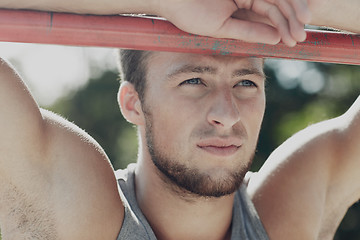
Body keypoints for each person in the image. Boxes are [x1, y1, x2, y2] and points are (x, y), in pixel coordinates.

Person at [0, 0, 359, 239]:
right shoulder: (79, 209)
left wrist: (296, 4)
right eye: (193, 81)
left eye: (246, 82)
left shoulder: (286, 214)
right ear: (133, 104)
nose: (227, 114)